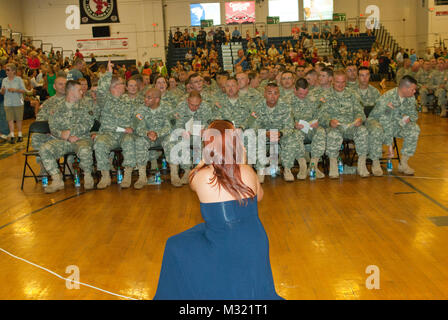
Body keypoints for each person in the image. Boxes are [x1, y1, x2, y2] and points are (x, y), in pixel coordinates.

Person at [153, 120, 283, 300]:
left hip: (224, 244)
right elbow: (259, 196)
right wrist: (243, 162)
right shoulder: (248, 172)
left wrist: (203, 161)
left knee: (175, 245)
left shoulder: (201, 177)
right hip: (255, 241)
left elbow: (192, 179)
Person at [39, 80, 95, 193]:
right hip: (63, 140)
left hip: (81, 139)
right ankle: (56, 179)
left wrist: (71, 132)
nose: (82, 92)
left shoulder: (85, 106)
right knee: (44, 149)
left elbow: (88, 123)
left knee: (84, 149)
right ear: (71, 91)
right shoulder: (57, 107)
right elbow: (53, 126)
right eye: (79, 90)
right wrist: (64, 135)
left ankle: (88, 177)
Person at [367, 76, 420, 175]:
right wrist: (389, 146)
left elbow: (414, 115)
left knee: (414, 128)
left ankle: (403, 163)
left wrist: (409, 118)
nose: (414, 92)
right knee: (376, 130)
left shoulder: (411, 98)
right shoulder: (387, 97)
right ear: (404, 88)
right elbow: (384, 121)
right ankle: (375, 163)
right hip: (377, 122)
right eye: (412, 89)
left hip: (395, 124)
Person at [1, 63, 26, 143]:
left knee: (19, 119)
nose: (6, 72)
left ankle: (19, 134)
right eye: (6, 70)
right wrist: (3, 91)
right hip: (7, 102)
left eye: (8, 70)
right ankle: (12, 134)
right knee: (10, 119)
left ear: (13, 71)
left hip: (18, 102)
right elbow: (2, 91)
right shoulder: (4, 80)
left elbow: (23, 90)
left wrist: (15, 90)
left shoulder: (19, 79)